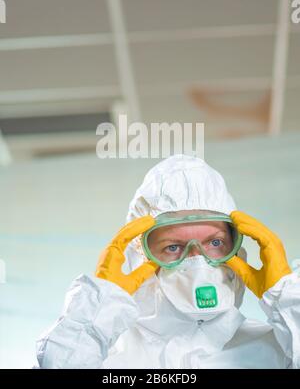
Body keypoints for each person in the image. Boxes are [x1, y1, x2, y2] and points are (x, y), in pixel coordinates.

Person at [36, 155, 300, 368]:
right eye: (173, 247)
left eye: (215, 243)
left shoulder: (279, 351)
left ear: (236, 251)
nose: (197, 259)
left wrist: (287, 299)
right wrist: (92, 317)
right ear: (140, 256)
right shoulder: (98, 355)